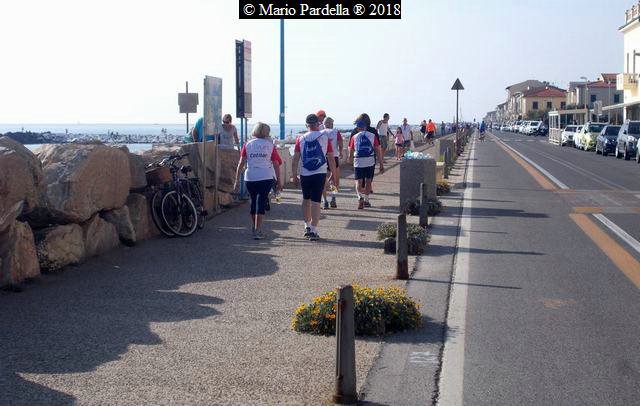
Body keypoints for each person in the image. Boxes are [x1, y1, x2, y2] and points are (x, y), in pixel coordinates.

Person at [291, 114, 337, 241]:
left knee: (306, 199)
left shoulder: (300, 139)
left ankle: (307, 226)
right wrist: (333, 174)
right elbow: (331, 158)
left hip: (305, 173)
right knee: (316, 201)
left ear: (306, 125)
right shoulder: (324, 138)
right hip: (319, 173)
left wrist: (294, 175)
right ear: (318, 124)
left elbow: (295, 159)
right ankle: (314, 230)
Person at [233, 123, 283, 240]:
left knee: (253, 201)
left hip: (250, 177)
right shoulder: (270, 145)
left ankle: (254, 227)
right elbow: (276, 164)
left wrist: (236, 180)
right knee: (261, 202)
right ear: (267, 132)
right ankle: (257, 229)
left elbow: (241, 163)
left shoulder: (247, 144)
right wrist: (279, 180)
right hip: (265, 177)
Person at [349, 117, 384, 209]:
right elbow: (378, 150)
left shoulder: (354, 137)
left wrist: (350, 162)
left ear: (357, 128)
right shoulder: (372, 135)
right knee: (368, 181)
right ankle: (366, 200)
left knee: (358, 181)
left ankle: (359, 197)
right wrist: (381, 164)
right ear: (365, 127)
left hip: (358, 161)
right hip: (370, 161)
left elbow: (351, 151)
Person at [322, 117, 343, 209]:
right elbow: (340, 143)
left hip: (323, 158)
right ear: (331, 123)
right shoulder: (336, 132)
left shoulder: (321, 133)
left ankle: (325, 201)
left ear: (324, 124)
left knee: (323, 180)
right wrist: (341, 152)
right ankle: (333, 198)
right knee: (335, 180)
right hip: (334, 157)